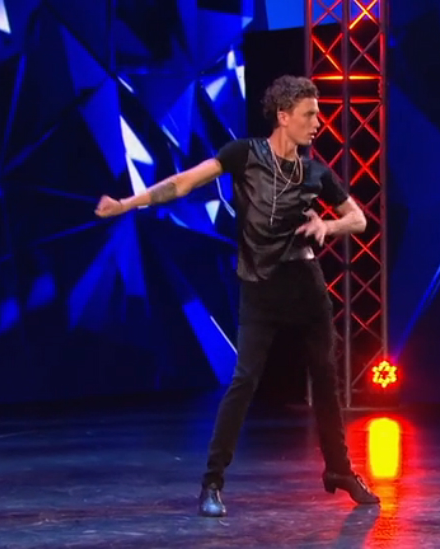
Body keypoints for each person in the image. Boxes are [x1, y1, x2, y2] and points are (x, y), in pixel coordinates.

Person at [95, 75, 380, 517]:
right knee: (245, 379)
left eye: (317, 114)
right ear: (283, 116)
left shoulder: (316, 173)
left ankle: (339, 470)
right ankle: (212, 482)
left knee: (325, 377)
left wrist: (328, 225)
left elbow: (358, 219)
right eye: (309, 114)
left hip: (305, 286)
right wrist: (126, 204)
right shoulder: (244, 155)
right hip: (260, 286)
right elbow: (185, 182)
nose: (317, 123)